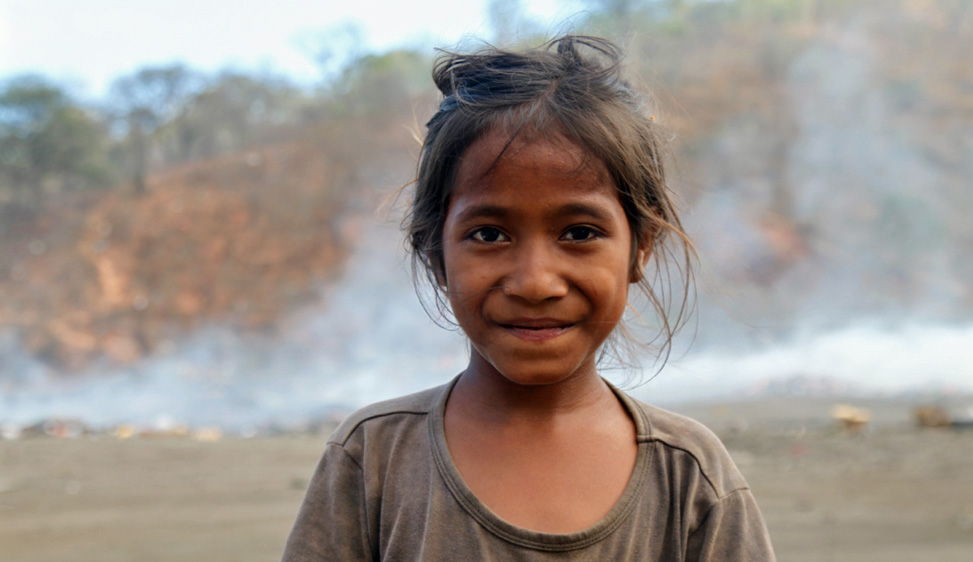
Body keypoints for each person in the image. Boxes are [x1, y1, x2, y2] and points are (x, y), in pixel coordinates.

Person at [282, 35, 775, 561]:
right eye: (490, 234)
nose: (536, 282)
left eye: (580, 232)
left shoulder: (690, 477)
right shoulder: (373, 457)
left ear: (640, 249)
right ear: (435, 252)